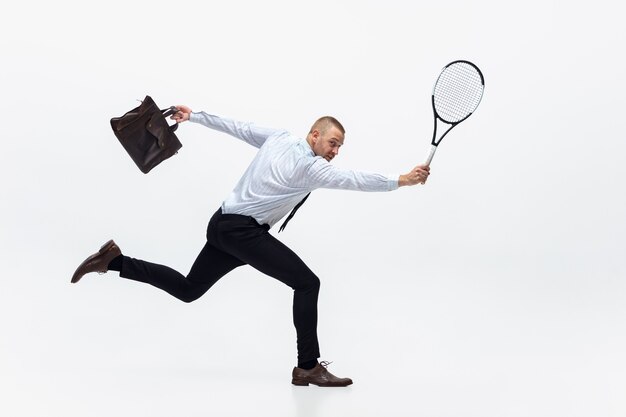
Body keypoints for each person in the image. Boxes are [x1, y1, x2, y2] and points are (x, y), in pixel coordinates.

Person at [71, 106, 430, 387]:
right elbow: (353, 180)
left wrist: (195, 116)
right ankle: (307, 367)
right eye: (333, 143)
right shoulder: (313, 168)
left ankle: (114, 261)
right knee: (307, 283)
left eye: (339, 147)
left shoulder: (278, 137)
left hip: (222, 224)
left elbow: (238, 127)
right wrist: (401, 180)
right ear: (315, 135)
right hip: (241, 232)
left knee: (189, 289)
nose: (335, 151)